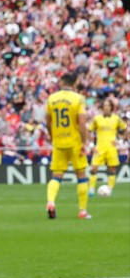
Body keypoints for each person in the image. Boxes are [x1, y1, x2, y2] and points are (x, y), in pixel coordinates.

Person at [45, 72, 92, 219]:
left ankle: (51, 202)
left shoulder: (52, 99)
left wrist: (53, 137)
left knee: (56, 176)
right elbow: (82, 123)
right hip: (74, 142)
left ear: (61, 82)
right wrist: (85, 142)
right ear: (75, 83)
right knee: (81, 176)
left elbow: (48, 122)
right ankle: (82, 211)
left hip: (58, 141)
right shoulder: (78, 99)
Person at [89, 98, 127, 196]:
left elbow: (125, 129)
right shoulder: (97, 119)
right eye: (104, 106)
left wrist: (120, 140)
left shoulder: (116, 118)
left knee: (112, 168)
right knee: (93, 168)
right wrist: (91, 145)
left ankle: (109, 189)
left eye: (108, 106)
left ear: (111, 107)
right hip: (99, 147)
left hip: (111, 147)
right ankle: (91, 189)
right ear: (102, 108)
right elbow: (89, 131)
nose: (106, 108)